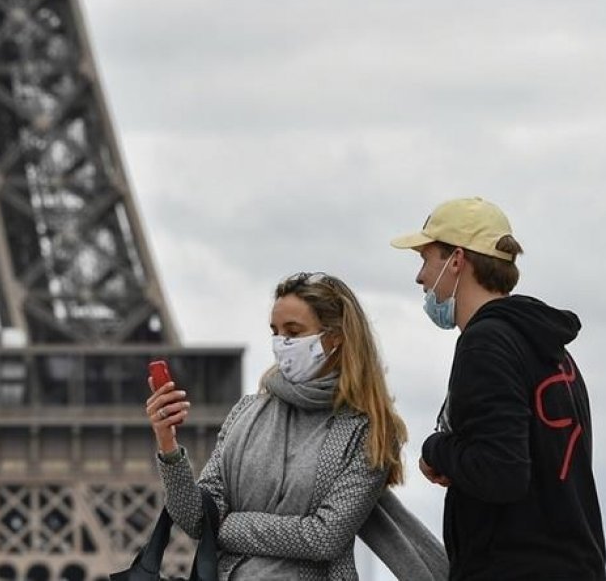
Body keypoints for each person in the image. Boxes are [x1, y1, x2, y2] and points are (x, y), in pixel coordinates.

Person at [145, 272, 447, 580]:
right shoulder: (246, 412)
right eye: (275, 332)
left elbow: (324, 538)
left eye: (293, 332)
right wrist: (168, 446)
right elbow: (198, 522)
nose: (281, 343)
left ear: (335, 336)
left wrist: (230, 525)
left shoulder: (367, 431)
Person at [391, 196, 606, 580]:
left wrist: (435, 450)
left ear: (457, 260)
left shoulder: (485, 344)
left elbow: (500, 472)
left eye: (426, 259)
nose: (420, 277)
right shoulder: (550, 348)